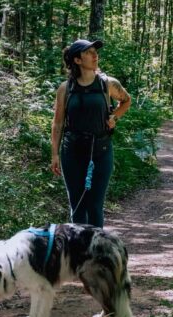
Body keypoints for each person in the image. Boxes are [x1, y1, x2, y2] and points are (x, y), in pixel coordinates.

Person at [50, 39, 132, 228]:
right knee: (77, 207)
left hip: (101, 150)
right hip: (72, 152)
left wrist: (114, 117)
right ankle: (79, 253)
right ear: (77, 60)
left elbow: (126, 101)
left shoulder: (108, 84)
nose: (95, 55)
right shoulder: (65, 88)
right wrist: (54, 154)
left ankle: (97, 253)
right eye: (89, 52)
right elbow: (58, 122)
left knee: (95, 207)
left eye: (95, 51)